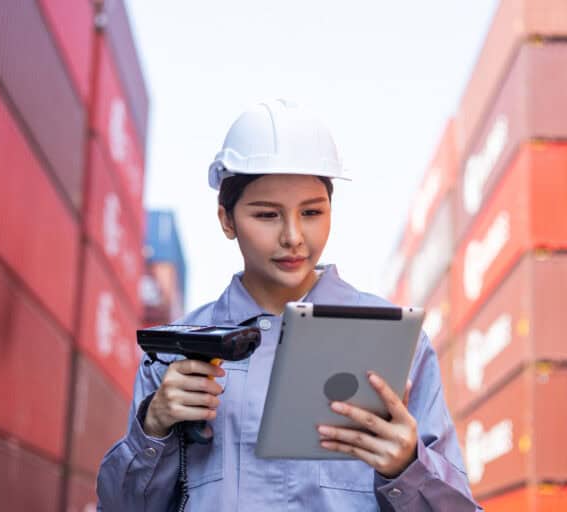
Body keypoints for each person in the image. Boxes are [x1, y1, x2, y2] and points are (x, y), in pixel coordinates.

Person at [97, 99, 481, 511]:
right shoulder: (172, 354)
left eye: (312, 212)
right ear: (226, 220)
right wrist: (153, 429)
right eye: (267, 215)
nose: (294, 236)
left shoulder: (399, 345)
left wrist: (408, 468)